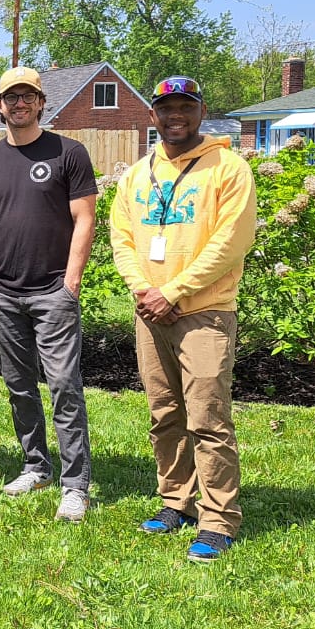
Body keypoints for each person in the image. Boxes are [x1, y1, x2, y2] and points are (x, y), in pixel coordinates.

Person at [109, 76, 256, 562]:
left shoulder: (227, 168)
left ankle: (217, 520)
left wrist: (173, 291)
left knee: (208, 418)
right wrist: (143, 290)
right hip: (150, 312)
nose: (176, 116)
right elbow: (123, 237)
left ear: (201, 110)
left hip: (204, 312)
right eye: (166, 108)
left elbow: (232, 241)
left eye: (185, 107)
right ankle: (176, 500)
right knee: (165, 414)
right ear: (152, 115)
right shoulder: (137, 174)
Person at [0, 66, 98, 522]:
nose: (19, 104)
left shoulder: (69, 153)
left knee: (64, 385)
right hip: (3, 291)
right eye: (11, 97)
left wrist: (72, 282)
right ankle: (35, 465)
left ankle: (76, 483)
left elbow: (86, 218)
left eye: (28, 96)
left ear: (42, 102)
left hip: (52, 290)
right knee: (19, 385)